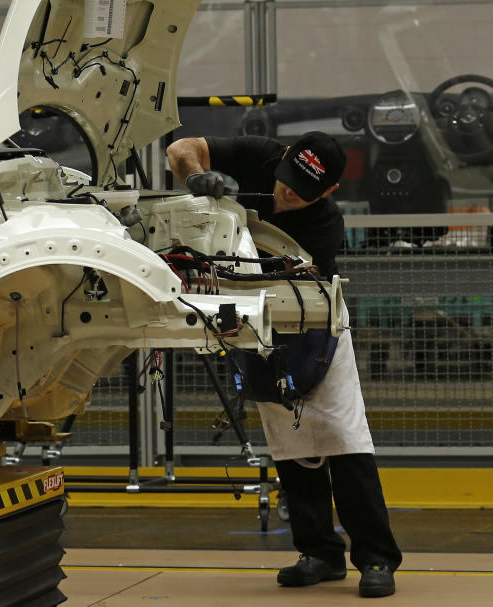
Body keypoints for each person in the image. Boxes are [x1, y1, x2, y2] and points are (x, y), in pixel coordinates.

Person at [166, 132, 402, 598]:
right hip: (256, 321)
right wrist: (195, 175)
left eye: (304, 190)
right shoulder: (261, 152)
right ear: (284, 156)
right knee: (291, 443)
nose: (288, 193)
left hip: (315, 324)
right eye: (287, 179)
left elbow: (298, 293)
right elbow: (179, 148)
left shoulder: (324, 228)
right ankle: (319, 553)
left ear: (329, 191)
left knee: (344, 440)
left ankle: (376, 557)